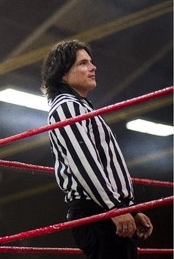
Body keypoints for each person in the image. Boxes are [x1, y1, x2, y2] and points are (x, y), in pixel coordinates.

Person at [40, 40, 153, 259]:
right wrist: (115, 208)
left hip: (107, 208)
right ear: (63, 74)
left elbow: (104, 164)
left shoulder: (81, 106)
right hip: (98, 210)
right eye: (83, 63)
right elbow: (84, 164)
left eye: (91, 62)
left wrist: (129, 207)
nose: (93, 67)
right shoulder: (66, 107)